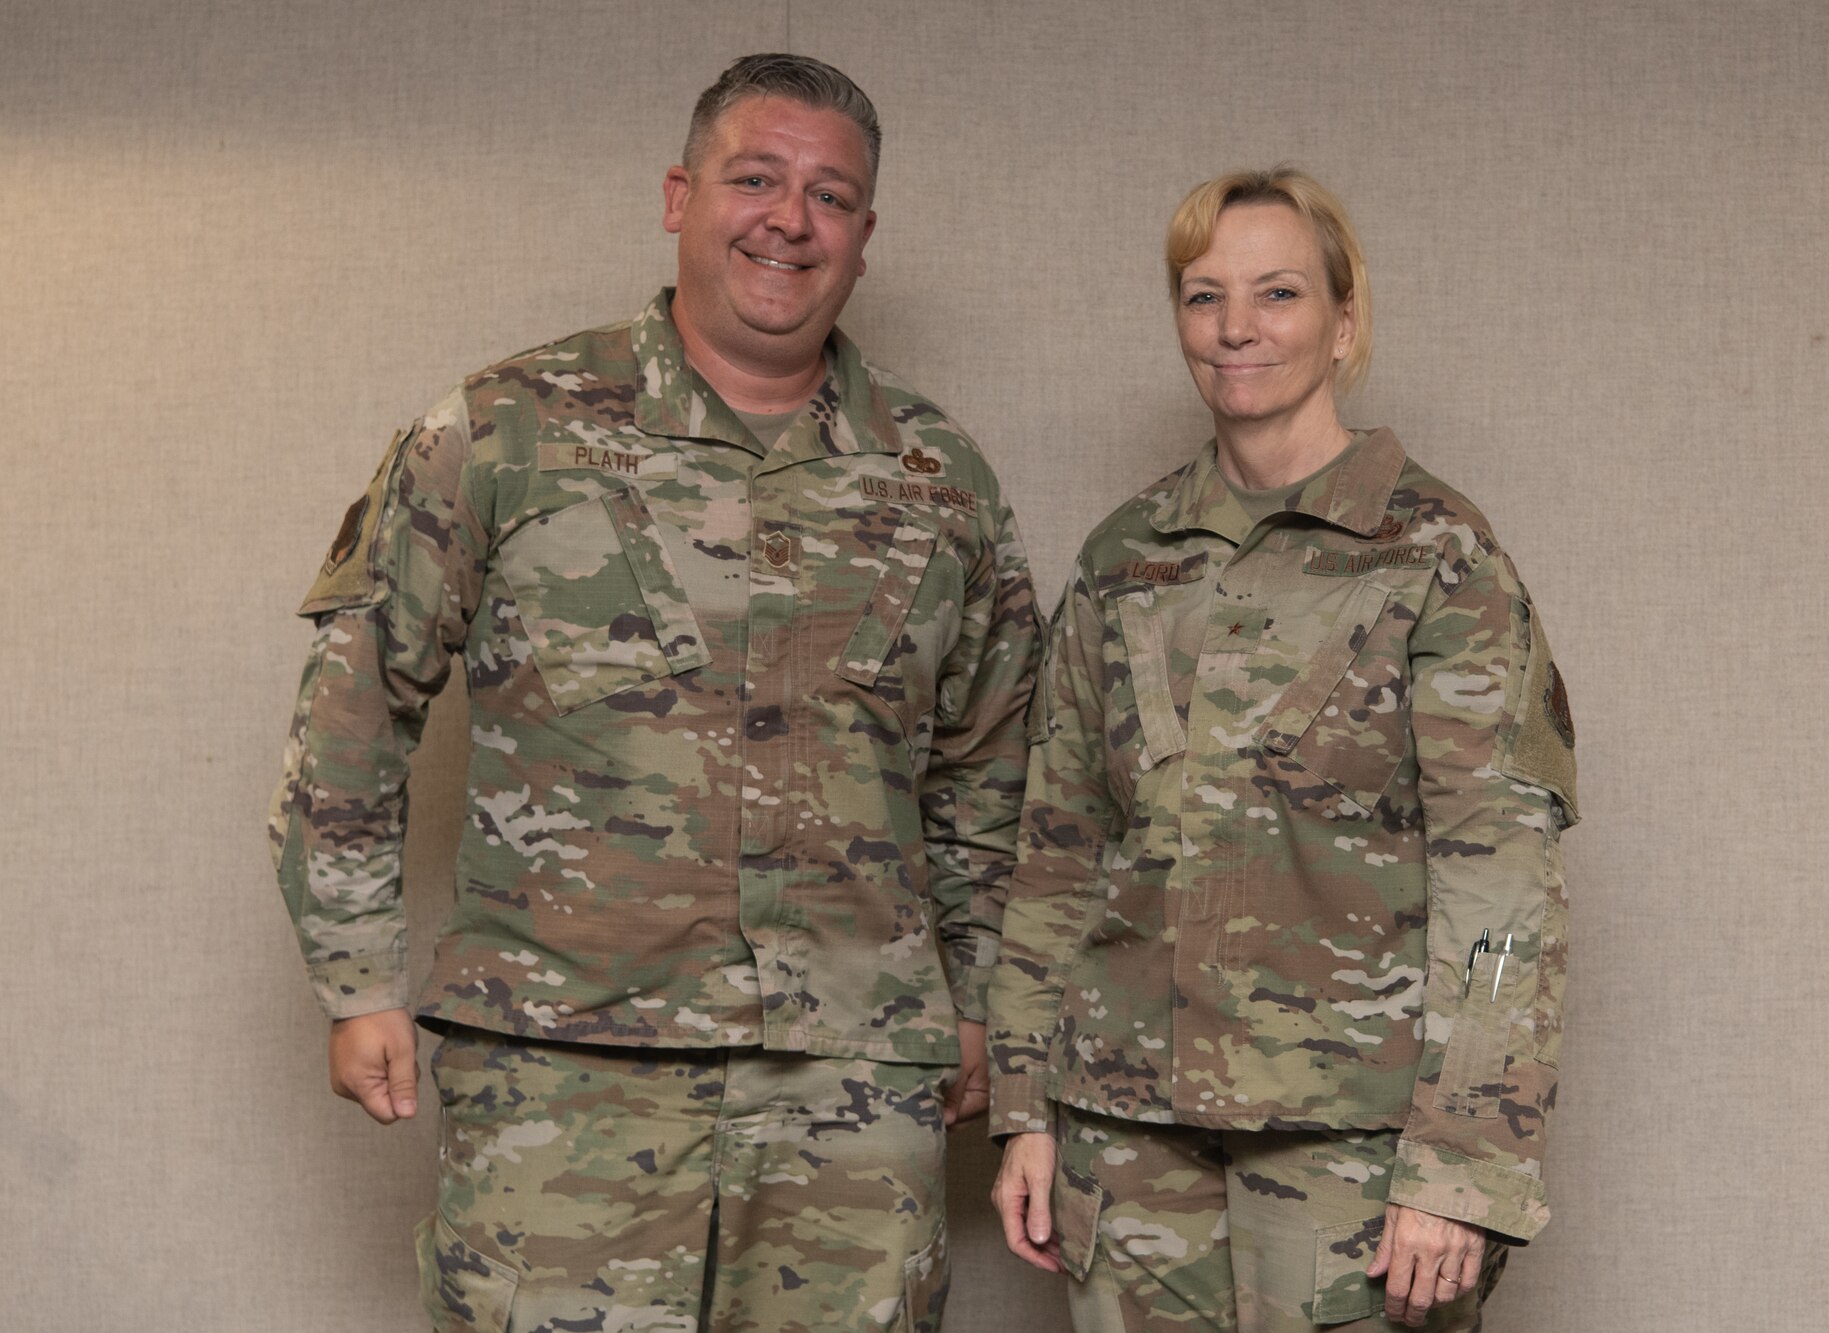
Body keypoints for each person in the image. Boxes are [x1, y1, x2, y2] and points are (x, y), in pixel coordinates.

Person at [269, 53, 1040, 1333]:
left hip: (847, 1091)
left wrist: (973, 1000)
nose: (788, 219)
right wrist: (356, 982)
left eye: (829, 196)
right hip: (564, 1079)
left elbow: (990, 766)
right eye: (755, 179)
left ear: (863, 236)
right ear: (679, 196)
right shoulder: (506, 430)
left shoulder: (939, 478)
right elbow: (353, 706)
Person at [986, 167, 1579, 1332]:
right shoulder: (1124, 559)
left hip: (1348, 1145)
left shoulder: (1437, 558)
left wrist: (1462, 1164)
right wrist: (1026, 1105)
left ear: (1342, 320)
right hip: (1124, 1134)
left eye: (1277, 293)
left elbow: (1501, 879)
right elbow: (1059, 848)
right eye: (1202, 297)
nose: (1236, 329)